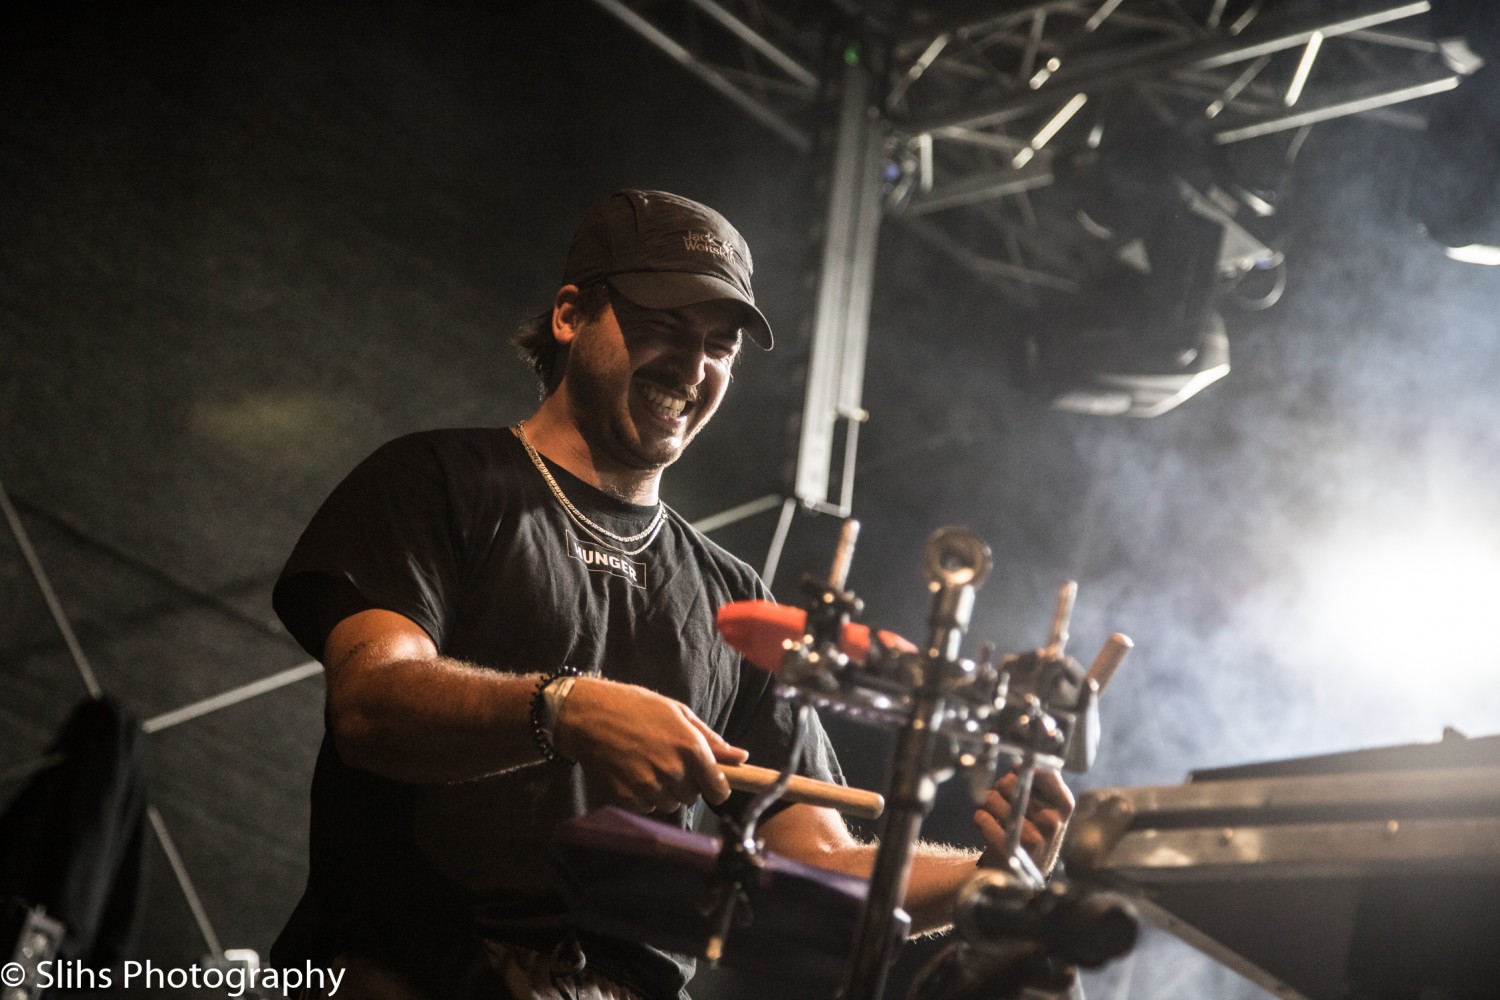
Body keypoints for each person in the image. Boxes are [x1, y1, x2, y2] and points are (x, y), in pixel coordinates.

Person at [270, 189, 1073, 1000]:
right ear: (570, 314)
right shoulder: (438, 480)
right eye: (664, 326)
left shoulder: (735, 599)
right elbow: (369, 705)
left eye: (719, 346)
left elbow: (819, 861)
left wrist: (987, 878)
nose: (694, 370)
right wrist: (565, 711)